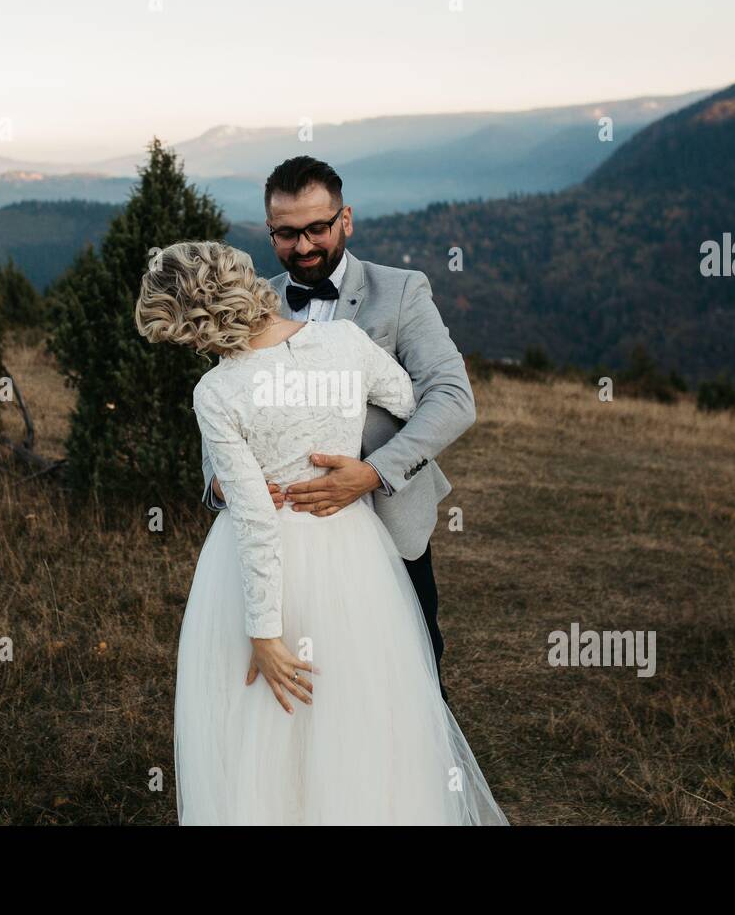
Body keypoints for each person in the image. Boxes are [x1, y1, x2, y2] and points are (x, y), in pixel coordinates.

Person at [136, 239, 506, 825]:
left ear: (200, 322)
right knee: (363, 708)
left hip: (262, 566)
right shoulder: (344, 342)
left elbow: (256, 521)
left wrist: (264, 632)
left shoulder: (216, 391)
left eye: (186, 335)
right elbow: (411, 401)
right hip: (353, 548)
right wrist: (346, 442)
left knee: (268, 721)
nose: (192, 347)